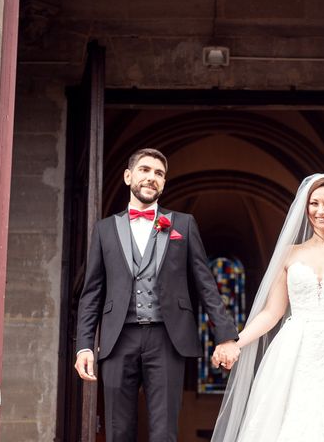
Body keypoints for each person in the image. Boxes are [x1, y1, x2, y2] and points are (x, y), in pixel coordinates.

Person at [74, 148, 240, 442]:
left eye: (159, 174)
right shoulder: (104, 229)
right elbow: (92, 292)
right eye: (145, 170)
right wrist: (85, 345)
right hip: (118, 338)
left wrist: (226, 335)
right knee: (117, 431)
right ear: (128, 176)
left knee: (164, 431)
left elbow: (205, 283)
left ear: (164, 183)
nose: (152, 178)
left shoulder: (183, 224)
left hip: (167, 337)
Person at [211, 173, 324, 441]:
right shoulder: (289, 253)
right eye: (314, 203)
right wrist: (237, 343)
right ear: (305, 208)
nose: (321, 211)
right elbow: (272, 312)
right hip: (294, 349)